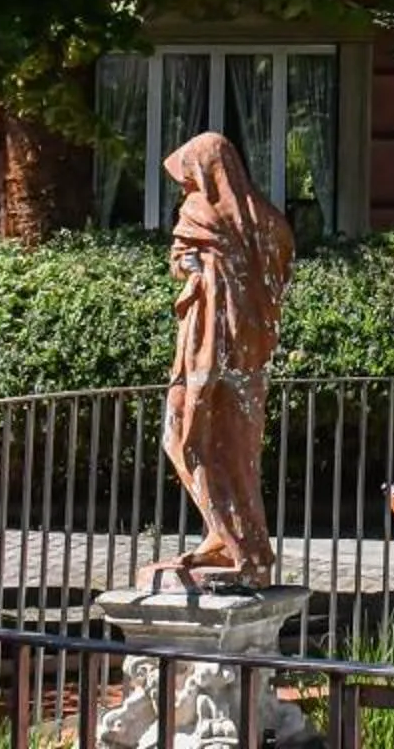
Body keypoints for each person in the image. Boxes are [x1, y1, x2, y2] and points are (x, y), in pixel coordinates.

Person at [159, 132, 296, 587]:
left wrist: (198, 271)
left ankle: (232, 542)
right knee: (239, 455)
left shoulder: (199, 214)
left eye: (186, 178)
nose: (184, 189)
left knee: (185, 437)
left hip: (206, 349)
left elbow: (185, 265)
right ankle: (238, 542)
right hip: (250, 358)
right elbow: (278, 280)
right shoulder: (270, 222)